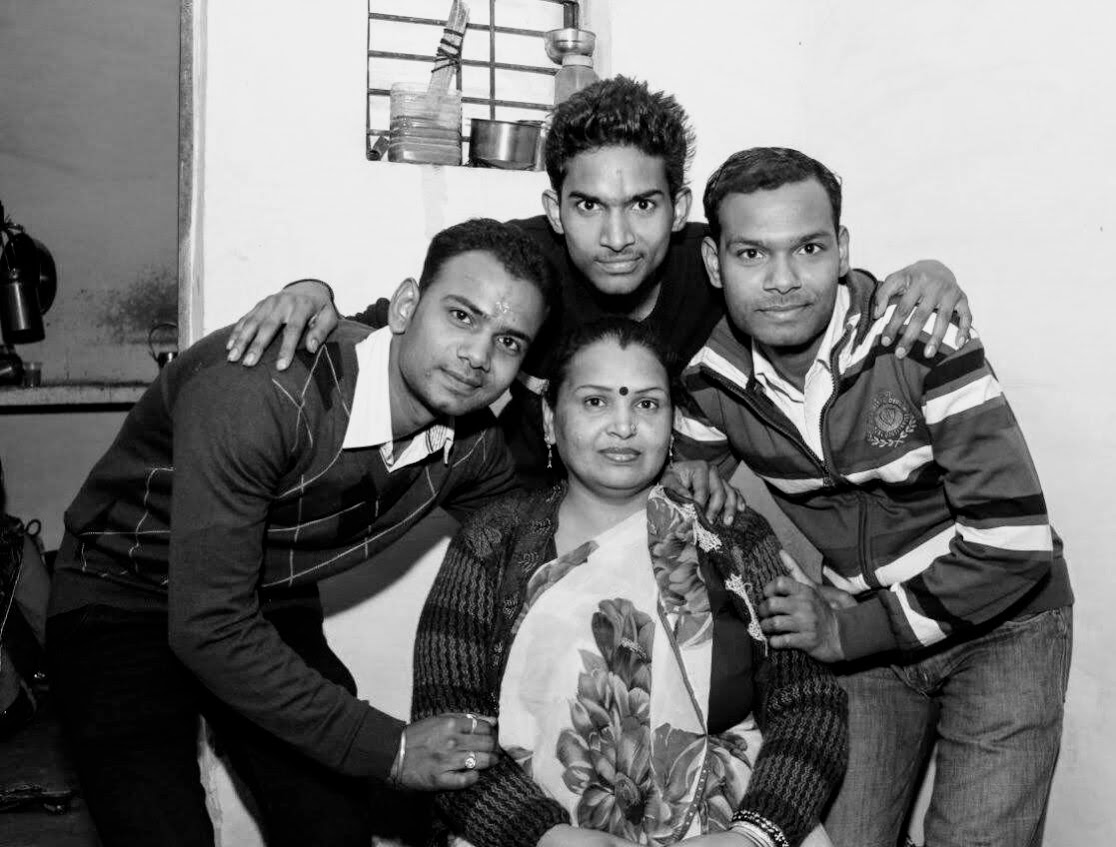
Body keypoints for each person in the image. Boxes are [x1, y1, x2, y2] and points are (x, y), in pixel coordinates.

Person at [46, 219, 558, 847]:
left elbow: (538, 541)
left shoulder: (472, 446)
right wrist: (394, 748)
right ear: (405, 307)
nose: (478, 357)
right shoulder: (261, 392)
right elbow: (210, 627)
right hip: (118, 596)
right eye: (460, 316)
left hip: (265, 601)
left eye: (507, 341)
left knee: (332, 829)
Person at [223, 77, 972, 486]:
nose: (617, 238)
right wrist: (313, 292)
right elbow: (395, 330)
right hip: (517, 509)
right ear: (555, 209)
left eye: (642, 205)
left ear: (679, 207)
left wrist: (915, 277)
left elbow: (803, 282)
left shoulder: (715, 264)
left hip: (667, 507)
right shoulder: (519, 267)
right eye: (588, 207)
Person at [678, 147, 1074, 847]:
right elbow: (675, 488)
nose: (782, 280)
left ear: (842, 249)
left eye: (808, 248)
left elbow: (1014, 547)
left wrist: (847, 631)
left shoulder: (919, 337)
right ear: (714, 263)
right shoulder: (710, 383)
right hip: (868, 638)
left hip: (1004, 623)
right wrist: (683, 481)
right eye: (751, 254)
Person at [411, 317, 848, 847]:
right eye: (595, 402)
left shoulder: (728, 532)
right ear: (549, 419)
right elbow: (448, 730)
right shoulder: (491, 543)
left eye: (647, 404)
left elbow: (809, 703)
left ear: (673, 421)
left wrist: (754, 834)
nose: (624, 426)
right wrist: (547, 836)